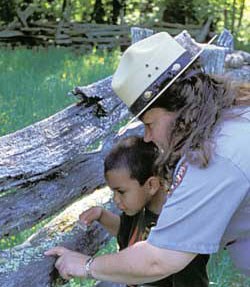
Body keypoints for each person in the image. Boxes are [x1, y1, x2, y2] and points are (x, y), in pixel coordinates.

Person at [45, 31, 250, 284]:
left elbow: (159, 258)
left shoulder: (216, 156)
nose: (148, 137)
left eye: (150, 123)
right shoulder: (234, 115)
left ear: (180, 110)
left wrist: (86, 264)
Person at [78, 136, 209, 286]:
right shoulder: (139, 211)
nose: (116, 199)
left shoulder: (178, 231)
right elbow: (127, 233)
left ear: (152, 185)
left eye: (121, 192)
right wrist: (101, 215)